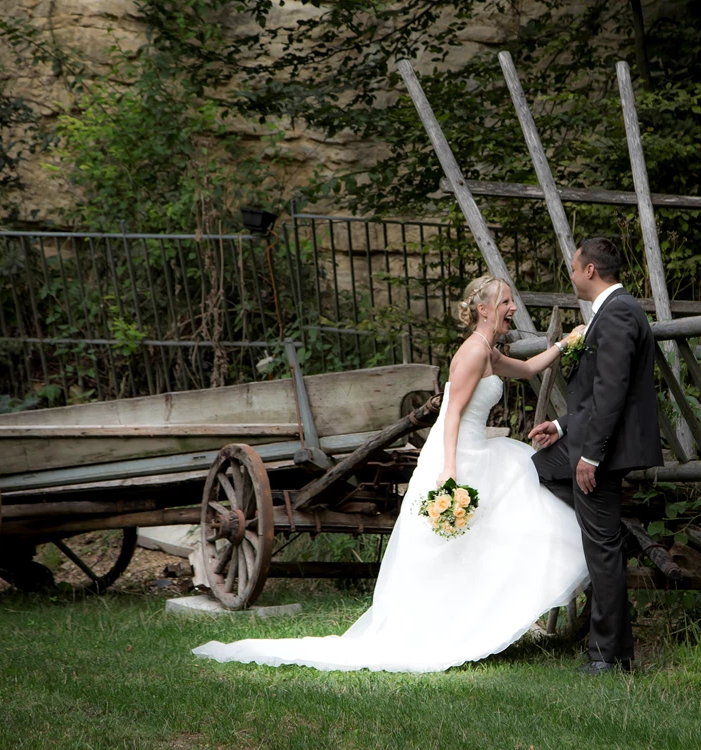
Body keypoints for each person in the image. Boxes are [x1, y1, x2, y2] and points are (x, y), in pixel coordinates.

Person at [193, 275, 590, 673]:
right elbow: (450, 414)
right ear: (484, 309)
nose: (513, 308)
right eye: (506, 301)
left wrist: (563, 343)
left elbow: (526, 367)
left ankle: (472, 618)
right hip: (457, 454)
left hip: (480, 451)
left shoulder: (487, 349)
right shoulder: (471, 353)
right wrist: (449, 471)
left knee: (487, 533)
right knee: (448, 544)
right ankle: (436, 628)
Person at [529, 237, 662, 675]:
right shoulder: (605, 315)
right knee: (538, 468)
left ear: (590, 270)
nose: (570, 275)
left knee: (601, 554)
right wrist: (563, 427)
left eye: (572, 267)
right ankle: (617, 536)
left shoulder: (619, 312)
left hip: (606, 451)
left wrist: (591, 456)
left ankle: (608, 657)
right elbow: (593, 397)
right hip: (588, 440)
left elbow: (613, 391)